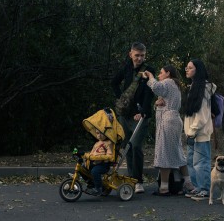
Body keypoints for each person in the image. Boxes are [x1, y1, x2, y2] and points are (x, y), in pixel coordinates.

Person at [143, 65, 195, 196]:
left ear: (168, 73)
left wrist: (150, 77)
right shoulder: (174, 85)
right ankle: (188, 183)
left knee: (164, 152)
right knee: (177, 151)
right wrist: (157, 103)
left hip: (168, 121)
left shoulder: (167, 82)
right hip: (174, 119)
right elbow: (164, 98)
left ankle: (164, 188)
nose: (159, 76)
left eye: (161, 73)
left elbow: (156, 87)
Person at [111, 42, 155, 193]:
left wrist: (142, 111)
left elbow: (150, 93)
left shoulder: (149, 70)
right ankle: (131, 179)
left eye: (142, 55)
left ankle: (139, 181)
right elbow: (114, 83)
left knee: (136, 146)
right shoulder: (126, 67)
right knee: (127, 147)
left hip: (140, 116)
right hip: (125, 114)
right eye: (136, 55)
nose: (139, 58)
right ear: (131, 54)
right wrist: (120, 99)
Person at [183, 59, 216, 201]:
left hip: (199, 133)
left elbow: (202, 115)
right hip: (192, 133)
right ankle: (197, 187)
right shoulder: (194, 87)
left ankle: (204, 189)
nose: (186, 69)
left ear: (198, 70)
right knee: (191, 162)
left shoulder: (203, 89)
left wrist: (192, 131)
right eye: (187, 67)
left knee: (201, 162)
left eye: (190, 68)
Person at [83, 129, 114, 196]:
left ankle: (98, 189)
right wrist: (87, 157)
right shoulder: (97, 143)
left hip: (103, 165)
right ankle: (90, 182)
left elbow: (110, 156)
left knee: (95, 171)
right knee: (83, 167)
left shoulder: (109, 143)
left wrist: (100, 157)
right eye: (97, 133)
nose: (99, 135)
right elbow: (91, 153)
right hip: (94, 163)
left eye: (101, 133)